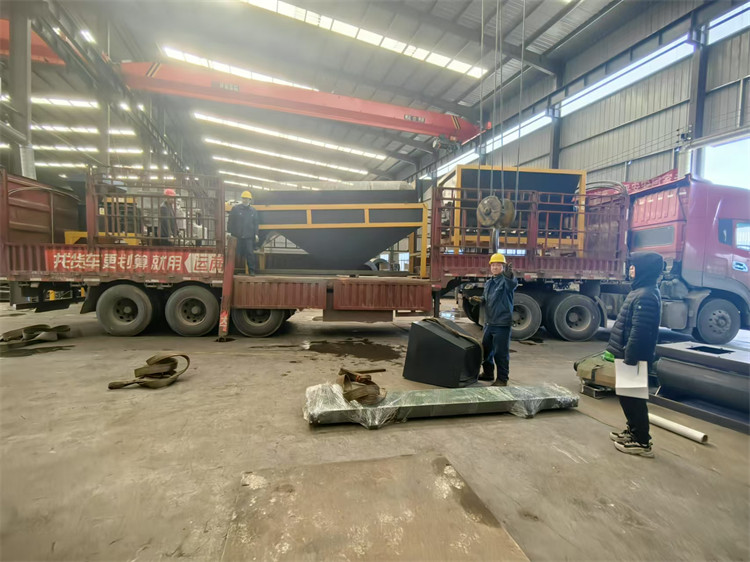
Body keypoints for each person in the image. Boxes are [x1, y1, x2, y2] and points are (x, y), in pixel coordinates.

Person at [607, 252, 664, 458]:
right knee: (626, 395)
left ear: (644, 269)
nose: (631, 268)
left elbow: (639, 331)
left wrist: (630, 358)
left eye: (634, 266)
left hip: (634, 355)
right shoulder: (640, 291)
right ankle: (633, 430)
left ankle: (641, 441)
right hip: (627, 353)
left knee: (633, 398)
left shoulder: (646, 295)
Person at [471, 252, 518, 386]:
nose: (495, 267)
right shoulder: (489, 282)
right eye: (493, 265)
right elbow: (487, 298)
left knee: (500, 353)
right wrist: (480, 300)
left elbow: (511, 284)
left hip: (501, 323)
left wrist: (509, 275)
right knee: (486, 351)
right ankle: (488, 373)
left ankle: (502, 379)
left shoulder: (506, 281)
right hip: (489, 323)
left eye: (498, 265)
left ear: (503, 267)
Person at [227, 190, 259, 274]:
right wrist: (229, 231)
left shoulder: (253, 211)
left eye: (247, 199)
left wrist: (256, 234)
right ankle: (233, 270)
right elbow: (230, 221)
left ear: (250, 200)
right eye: (244, 198)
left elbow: (256, 223)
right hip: (237, 235)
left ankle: (252, 271)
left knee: (250, 253)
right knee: (236, 254)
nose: (245, 200)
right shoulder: (235, 209)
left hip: (249, 236)